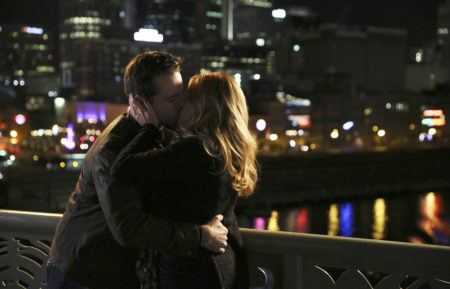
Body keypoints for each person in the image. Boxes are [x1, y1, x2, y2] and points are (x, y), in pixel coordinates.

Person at [47, 51, 229, 289]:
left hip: (107, 270)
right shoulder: (114, 149)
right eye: (173, 99)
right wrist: (201, 236)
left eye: (182, 94)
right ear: (142, 102)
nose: (182, 103)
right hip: (83, 273)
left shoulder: (157, 133)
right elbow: (128, 227)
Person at [111, 72, 259, 289]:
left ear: (202, 106)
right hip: (224, 263)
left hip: (190, 270)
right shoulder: (230, 151)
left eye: (188, 98)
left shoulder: (196, 150)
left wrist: (149, 129)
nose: (181, 104)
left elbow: (123, 169)